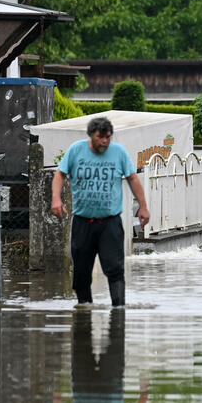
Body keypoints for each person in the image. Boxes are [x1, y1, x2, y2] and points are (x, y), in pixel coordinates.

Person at [51, 116, 150, 306]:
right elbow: (59, 174)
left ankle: (118, 310)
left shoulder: (118, 152)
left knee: (115, 268)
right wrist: (56, 199)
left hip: (110, 223)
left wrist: (143, 206)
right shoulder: (76, 150)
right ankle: (84, 308)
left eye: (108, 137)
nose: (105, 141)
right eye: (100, 137)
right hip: (82, 221)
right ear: (91, 135)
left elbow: (132, 178)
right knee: (81, 271)